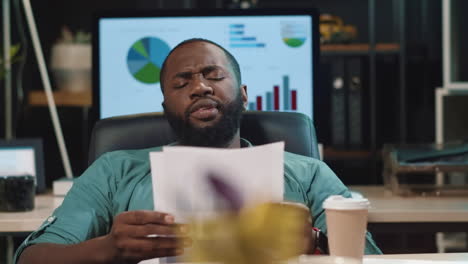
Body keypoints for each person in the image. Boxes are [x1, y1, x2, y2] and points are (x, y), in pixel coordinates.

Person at [15, 38, 381, 264]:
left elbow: (370, 260)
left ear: (242, 94)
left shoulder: (307, 173)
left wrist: (316, 245)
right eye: (182, 81)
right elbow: (32, 258)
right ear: (165, 106)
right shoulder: (114, 170)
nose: (200, 87)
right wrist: (109, 249)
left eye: (214, 75)